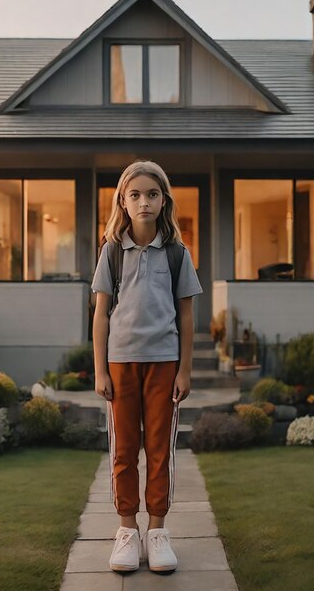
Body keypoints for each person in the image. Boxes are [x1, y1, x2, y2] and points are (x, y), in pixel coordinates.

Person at [91, 160, 203, 574]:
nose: (144, 202)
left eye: (152, 194)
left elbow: (187, 316)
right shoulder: (111, 252)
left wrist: (185, 370)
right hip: (120, 366)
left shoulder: (177, 253)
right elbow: (100, 315)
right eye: (135, 194)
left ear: (163, 200)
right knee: (124, 451)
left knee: (159, 451)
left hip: (164, 365)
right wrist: (100, 369)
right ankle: (126, 531)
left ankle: (157, 531)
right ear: (123, 200)